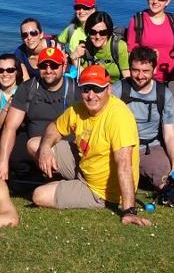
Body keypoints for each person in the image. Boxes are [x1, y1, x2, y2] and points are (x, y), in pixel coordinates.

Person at [31, 65, 150, 226]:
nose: (91, 95)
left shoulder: (118, 116)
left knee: (39, 196)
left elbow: (124, 164)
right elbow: (54, 127)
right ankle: (66, 185)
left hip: (100, 190)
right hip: (84, 166)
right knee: (35, 145)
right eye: (86, 89)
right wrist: (45, 149)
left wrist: (129, 209)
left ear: (109, 89)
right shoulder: (79, 109)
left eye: (97, 89)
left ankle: (70, 190)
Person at [0, 47, 80, 180]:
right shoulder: (28, 88)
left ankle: (57, 177)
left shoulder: (75, 90)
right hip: (33, 146)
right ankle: (36, 178)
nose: (48, 70)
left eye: (54, 66)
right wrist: (3, 161)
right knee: (15, 155)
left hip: (64, 147)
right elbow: (10, 126)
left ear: (63, 67)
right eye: (43, 66)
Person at [113, 46, 174, 190]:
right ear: (129, 69)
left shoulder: (164, 94)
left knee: (166, 183)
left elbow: (169, 133)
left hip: (149, 148)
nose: (140, 76)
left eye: (146, 71)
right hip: (121, 147)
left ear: (154, 70)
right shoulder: (118, 89)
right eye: (135, 70)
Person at [125, 0, 174, 83]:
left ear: (168, 1)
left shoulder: (173, 21)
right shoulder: (138, 21)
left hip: (171, 78)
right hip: (146, 79)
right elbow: (131, 53)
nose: (155, 1)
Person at [72, 10, 128, 82]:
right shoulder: (86, 47)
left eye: (103, 32)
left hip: (117, 89)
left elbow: (127, 77)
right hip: (95, 87)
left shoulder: (119, 47)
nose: (97, 36)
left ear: (109, 32)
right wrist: (74, 59)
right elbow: (85, 77)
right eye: (93, 32)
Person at [14, 18, 69, 82]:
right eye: (25, 35)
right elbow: (26, 82)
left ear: (41, 34)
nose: (29, 37)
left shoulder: (54, 46)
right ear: (22, 38)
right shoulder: (20, 53)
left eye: (33, 33)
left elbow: (61, 73)